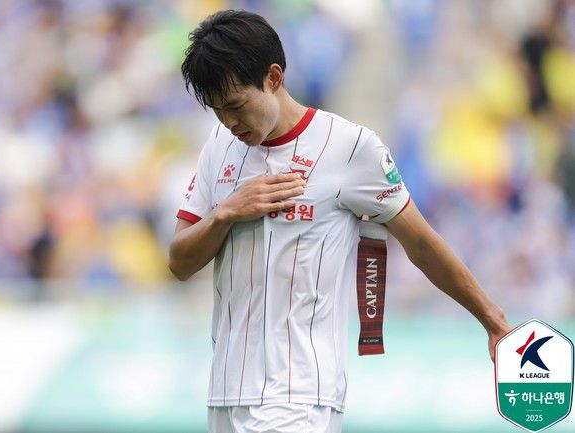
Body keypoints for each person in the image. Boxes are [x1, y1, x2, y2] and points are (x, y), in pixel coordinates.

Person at [169, 9, 512, 433]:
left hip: (299, 395)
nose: (229, 122)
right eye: (218, 111)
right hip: (225, 391)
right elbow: (179, 261)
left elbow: (421, 244)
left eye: (236, 105)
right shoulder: (218, 146)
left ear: (273, 77)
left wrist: (493, 320)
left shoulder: (350, 147)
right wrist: (226, 213)